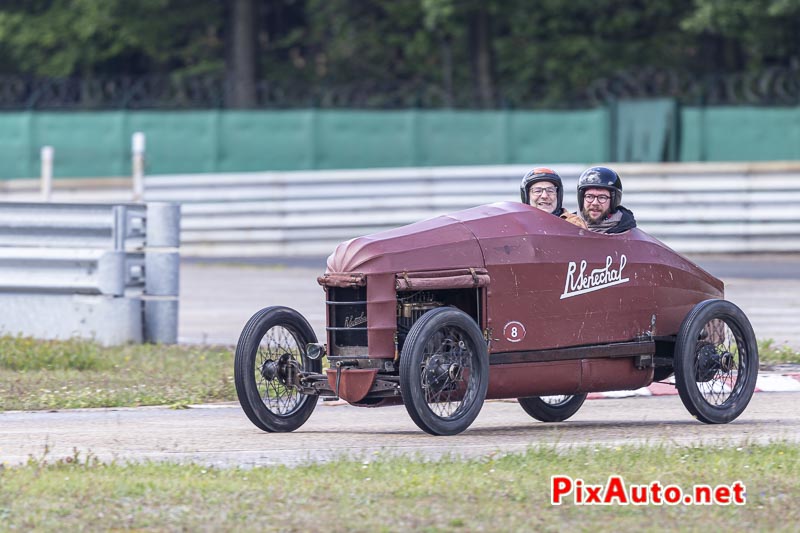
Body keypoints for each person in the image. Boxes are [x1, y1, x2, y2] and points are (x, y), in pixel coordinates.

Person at [520, 167, 587, 229]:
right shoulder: (518, 224)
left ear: (558, 195)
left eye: (550, 190)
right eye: (537, 191)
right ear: (527, 196)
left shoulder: (574, 224)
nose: (544, 196)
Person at [576, 166, 636, 234]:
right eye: (589, 196)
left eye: (602, 197)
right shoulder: (568, 226)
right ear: (581, 199)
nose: (595, 203)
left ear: (614, 201)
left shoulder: (628, 234)